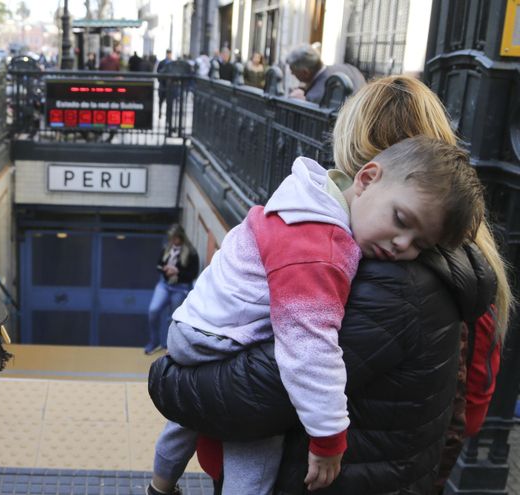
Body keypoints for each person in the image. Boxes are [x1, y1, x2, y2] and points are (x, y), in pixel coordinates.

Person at [147, 75, 513, 494]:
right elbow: (472, 411)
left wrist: (165, 378)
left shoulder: (383, 275)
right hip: (393, 473)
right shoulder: (446, 261)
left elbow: (253, 396)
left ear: (364, 169)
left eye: (415, 236)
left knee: (251, 454)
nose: (401, 244)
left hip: (326, 477)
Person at [144, 225, 199, 355]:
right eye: (171, 238)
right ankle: (155, 341)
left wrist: (177, 272)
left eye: (175, 237)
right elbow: (158, 265)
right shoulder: (167, 249)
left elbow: (193, 274)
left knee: (174, 318)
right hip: (164, 284)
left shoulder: (191, 252)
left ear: (181, 237)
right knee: (153, 310)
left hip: (181, 287)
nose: (173, 240)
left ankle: (170, 345)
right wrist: (165, 270)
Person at [286, 44, 365, 104]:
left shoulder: (314, 97)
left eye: (293, 70)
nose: (292, 73)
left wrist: (301, 102)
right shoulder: (349, 68)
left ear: (305, 72)